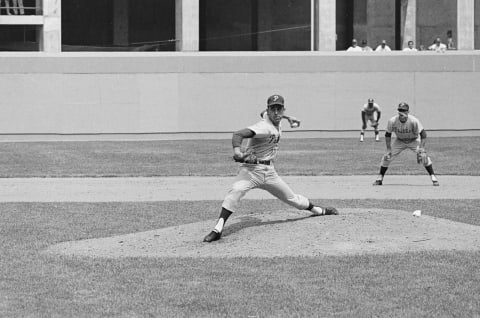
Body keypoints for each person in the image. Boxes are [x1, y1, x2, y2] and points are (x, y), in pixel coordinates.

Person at [203, 94, 339, 242]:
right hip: (251, 171)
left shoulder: (277, 119)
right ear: (268, 110)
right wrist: (238, 153)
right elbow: (238, 134)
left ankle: (320, 210)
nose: (276, 112)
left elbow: (270, 114)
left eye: (279, 109)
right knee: (236, 191)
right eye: (273, 109)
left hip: (270, 173)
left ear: (283, 109)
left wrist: (287, 118)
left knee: (293, 199)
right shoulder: (264, 127)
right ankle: (218, 229)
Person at [373, 102, 439, 186]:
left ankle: (433, 177)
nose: (401, 112)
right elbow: (388, 134)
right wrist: (388, 149)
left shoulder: (414, 121)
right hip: (399, 140)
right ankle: (380, 178)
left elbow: (423, 134)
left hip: (414, 140)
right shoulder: (392, 121)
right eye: (400, 110)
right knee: (387, 157)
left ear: (408, 111)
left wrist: (422, 148)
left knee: (423, 157)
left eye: (404, 110)